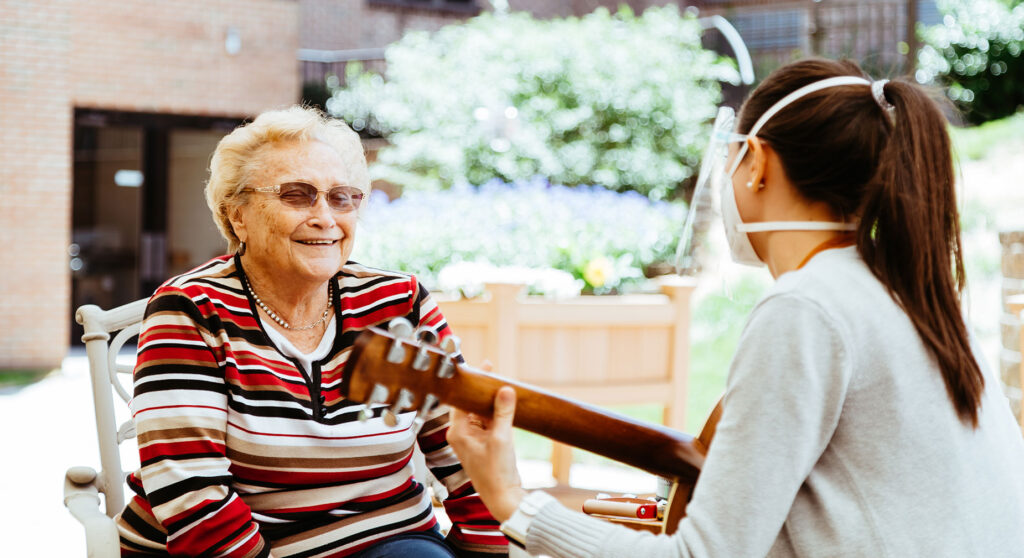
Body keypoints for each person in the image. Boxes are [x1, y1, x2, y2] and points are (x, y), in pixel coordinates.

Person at [446, 58, 1024, 557]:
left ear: (758, 163)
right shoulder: (905, 289)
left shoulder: (807, 307)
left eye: (731, 157)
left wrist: (513, 503)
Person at [115, 106, 508, 557]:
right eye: (297, 195)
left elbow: (463, 453)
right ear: (238, 214)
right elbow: (191, 491)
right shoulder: (192, 310)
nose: (325, 217)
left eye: (341, 198)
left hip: (392, 542)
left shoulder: (399, 303)